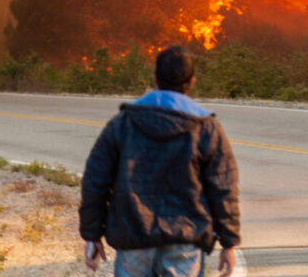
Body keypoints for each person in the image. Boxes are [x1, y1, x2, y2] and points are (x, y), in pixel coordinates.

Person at [80, 45, 240, 277]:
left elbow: (95, 181)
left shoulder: (123, 124)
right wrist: (229, 241)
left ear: (155, 79)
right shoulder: (206, 128)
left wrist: (92, 234)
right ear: (192, 81)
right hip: (186, 240)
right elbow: (223, 187)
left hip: (133, 237)